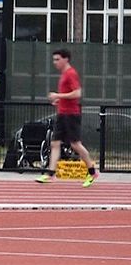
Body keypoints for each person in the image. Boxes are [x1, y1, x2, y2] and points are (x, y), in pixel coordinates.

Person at [36, 49, 99, 187]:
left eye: (57, 59)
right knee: (55, 143)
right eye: (54, 60)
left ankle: (92, 171)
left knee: (75, 144)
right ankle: (51, 174)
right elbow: (69, 95)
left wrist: (58, 96)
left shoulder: (71, 74)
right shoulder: (64, 74)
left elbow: (77, 93)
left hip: (71, 114)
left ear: (66, 59)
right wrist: (59, 101)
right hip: (62, 113)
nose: (55, 63)